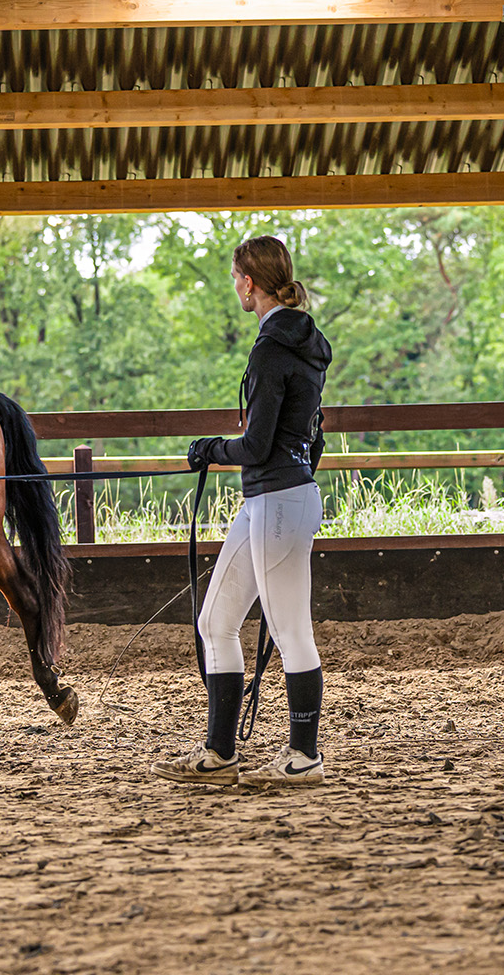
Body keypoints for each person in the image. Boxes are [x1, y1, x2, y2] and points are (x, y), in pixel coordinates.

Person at [150, 234, 331, 787]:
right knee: (215, 621)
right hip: (274, 498)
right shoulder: (305, 344)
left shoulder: (269, 350)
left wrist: (209, 450)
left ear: (248, 282)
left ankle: (304, 757)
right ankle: (220, 751)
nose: (236, 287)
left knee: (290, 628)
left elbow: (254, 446)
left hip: (277, 500)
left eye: (236, 279)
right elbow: (311, 435)